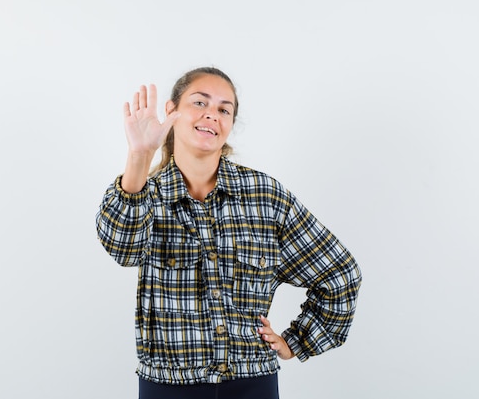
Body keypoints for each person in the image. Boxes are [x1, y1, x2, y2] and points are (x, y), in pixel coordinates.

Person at [95, 66, 362, 399]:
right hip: (168, 386)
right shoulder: (146, 194)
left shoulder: (265, 195)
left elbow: (340, 274)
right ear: (171, 111)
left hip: (252, 384)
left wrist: (297, 342)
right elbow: (123, 248)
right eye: (200, 102)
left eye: (224, 109)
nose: (212, 115)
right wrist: (139, 155)